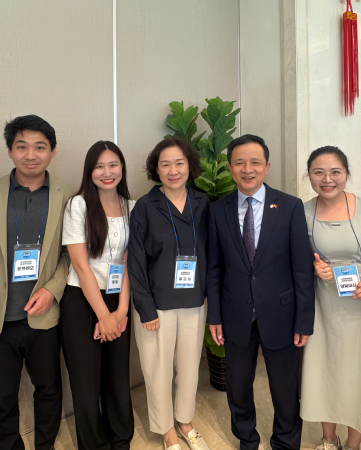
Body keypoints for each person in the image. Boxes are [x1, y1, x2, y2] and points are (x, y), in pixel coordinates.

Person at [0, 115, 74, 450]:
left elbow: (70, 254)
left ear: (53, 151)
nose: (31, 155)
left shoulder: (68, 196)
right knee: (0, 398)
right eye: (22, 146)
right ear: (9, 151)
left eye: (40, 147)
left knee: (49, 390)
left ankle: (45, 445)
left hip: (44, 317)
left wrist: (51, 290)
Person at [206, 134, 314, 450]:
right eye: (239, 162)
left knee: (285, 389)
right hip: (235, 314)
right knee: (238, 388)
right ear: (229, 167)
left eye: (255, 162)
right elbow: (214, 269)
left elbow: (302, 269)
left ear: (267, 166)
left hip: (282, 315)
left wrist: (303, 321)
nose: (247, 169)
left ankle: (285, 442)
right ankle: (247, 439)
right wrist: (214, 316)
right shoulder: (218, 210)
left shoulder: (290, 206)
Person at [300, 146, 361, 450]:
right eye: (318, 172)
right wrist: (313, 267)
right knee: (325, 370)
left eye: (335, 172)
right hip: (323, 306)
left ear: (347, 174)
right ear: (309, 175)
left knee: (360, 375)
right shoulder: (302, 212)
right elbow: (293, 258)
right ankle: (328, 440)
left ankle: (353, 445)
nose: (327, 179)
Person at [128, 137, 210, 450]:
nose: (173, 170)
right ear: (156, 169)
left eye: (179, 163)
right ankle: (166, 430)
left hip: (194, 301)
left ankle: (185, 421)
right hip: (157, 304)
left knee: (189, 367)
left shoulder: (202, 203)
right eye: (166, 164)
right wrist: (145, 308)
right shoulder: (145, 207)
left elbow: (212, 253)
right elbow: (135, 262)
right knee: (158, 369)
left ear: (189, 166)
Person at [60, 141, 135, 450]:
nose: (107, 172)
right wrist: (103, 315)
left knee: (118, 375)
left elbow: (129, 262)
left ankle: (121, 438)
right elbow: (80, 264)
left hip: (119, 298)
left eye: (113, 165)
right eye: (99, 166)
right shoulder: (78, 205)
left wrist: (121, 311)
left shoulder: (131, 206)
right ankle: (94, 444)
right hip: (81, 300)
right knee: (86, 380)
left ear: (122, 168)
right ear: (89, 170)